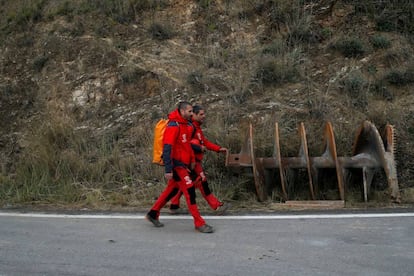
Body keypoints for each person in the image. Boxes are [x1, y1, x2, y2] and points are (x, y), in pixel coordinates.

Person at [145, 101, 214, 233]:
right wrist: (168, 169)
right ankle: (199, 223)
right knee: (190, 191)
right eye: (189, 111)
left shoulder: (186, 125)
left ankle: (153, 214)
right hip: (176, 166)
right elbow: (167, 149)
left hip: (184, 165)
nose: (191, 114)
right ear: (182, 111)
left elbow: (187, 146)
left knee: (171, 190)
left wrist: (192, 161)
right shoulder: (173, 126)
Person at [169, 105, 230, 215]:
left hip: (191, 162)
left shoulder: (196, 127)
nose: (204, 116)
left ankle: (174, 205)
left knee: (181, 185)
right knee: (203, 182)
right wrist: (198, 148)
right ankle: (216, 206)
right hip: (192, 162)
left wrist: (218, 149)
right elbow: (185, 144)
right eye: (201, 114)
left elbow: (204, 142)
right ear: (194, 115)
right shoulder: (190, 127)